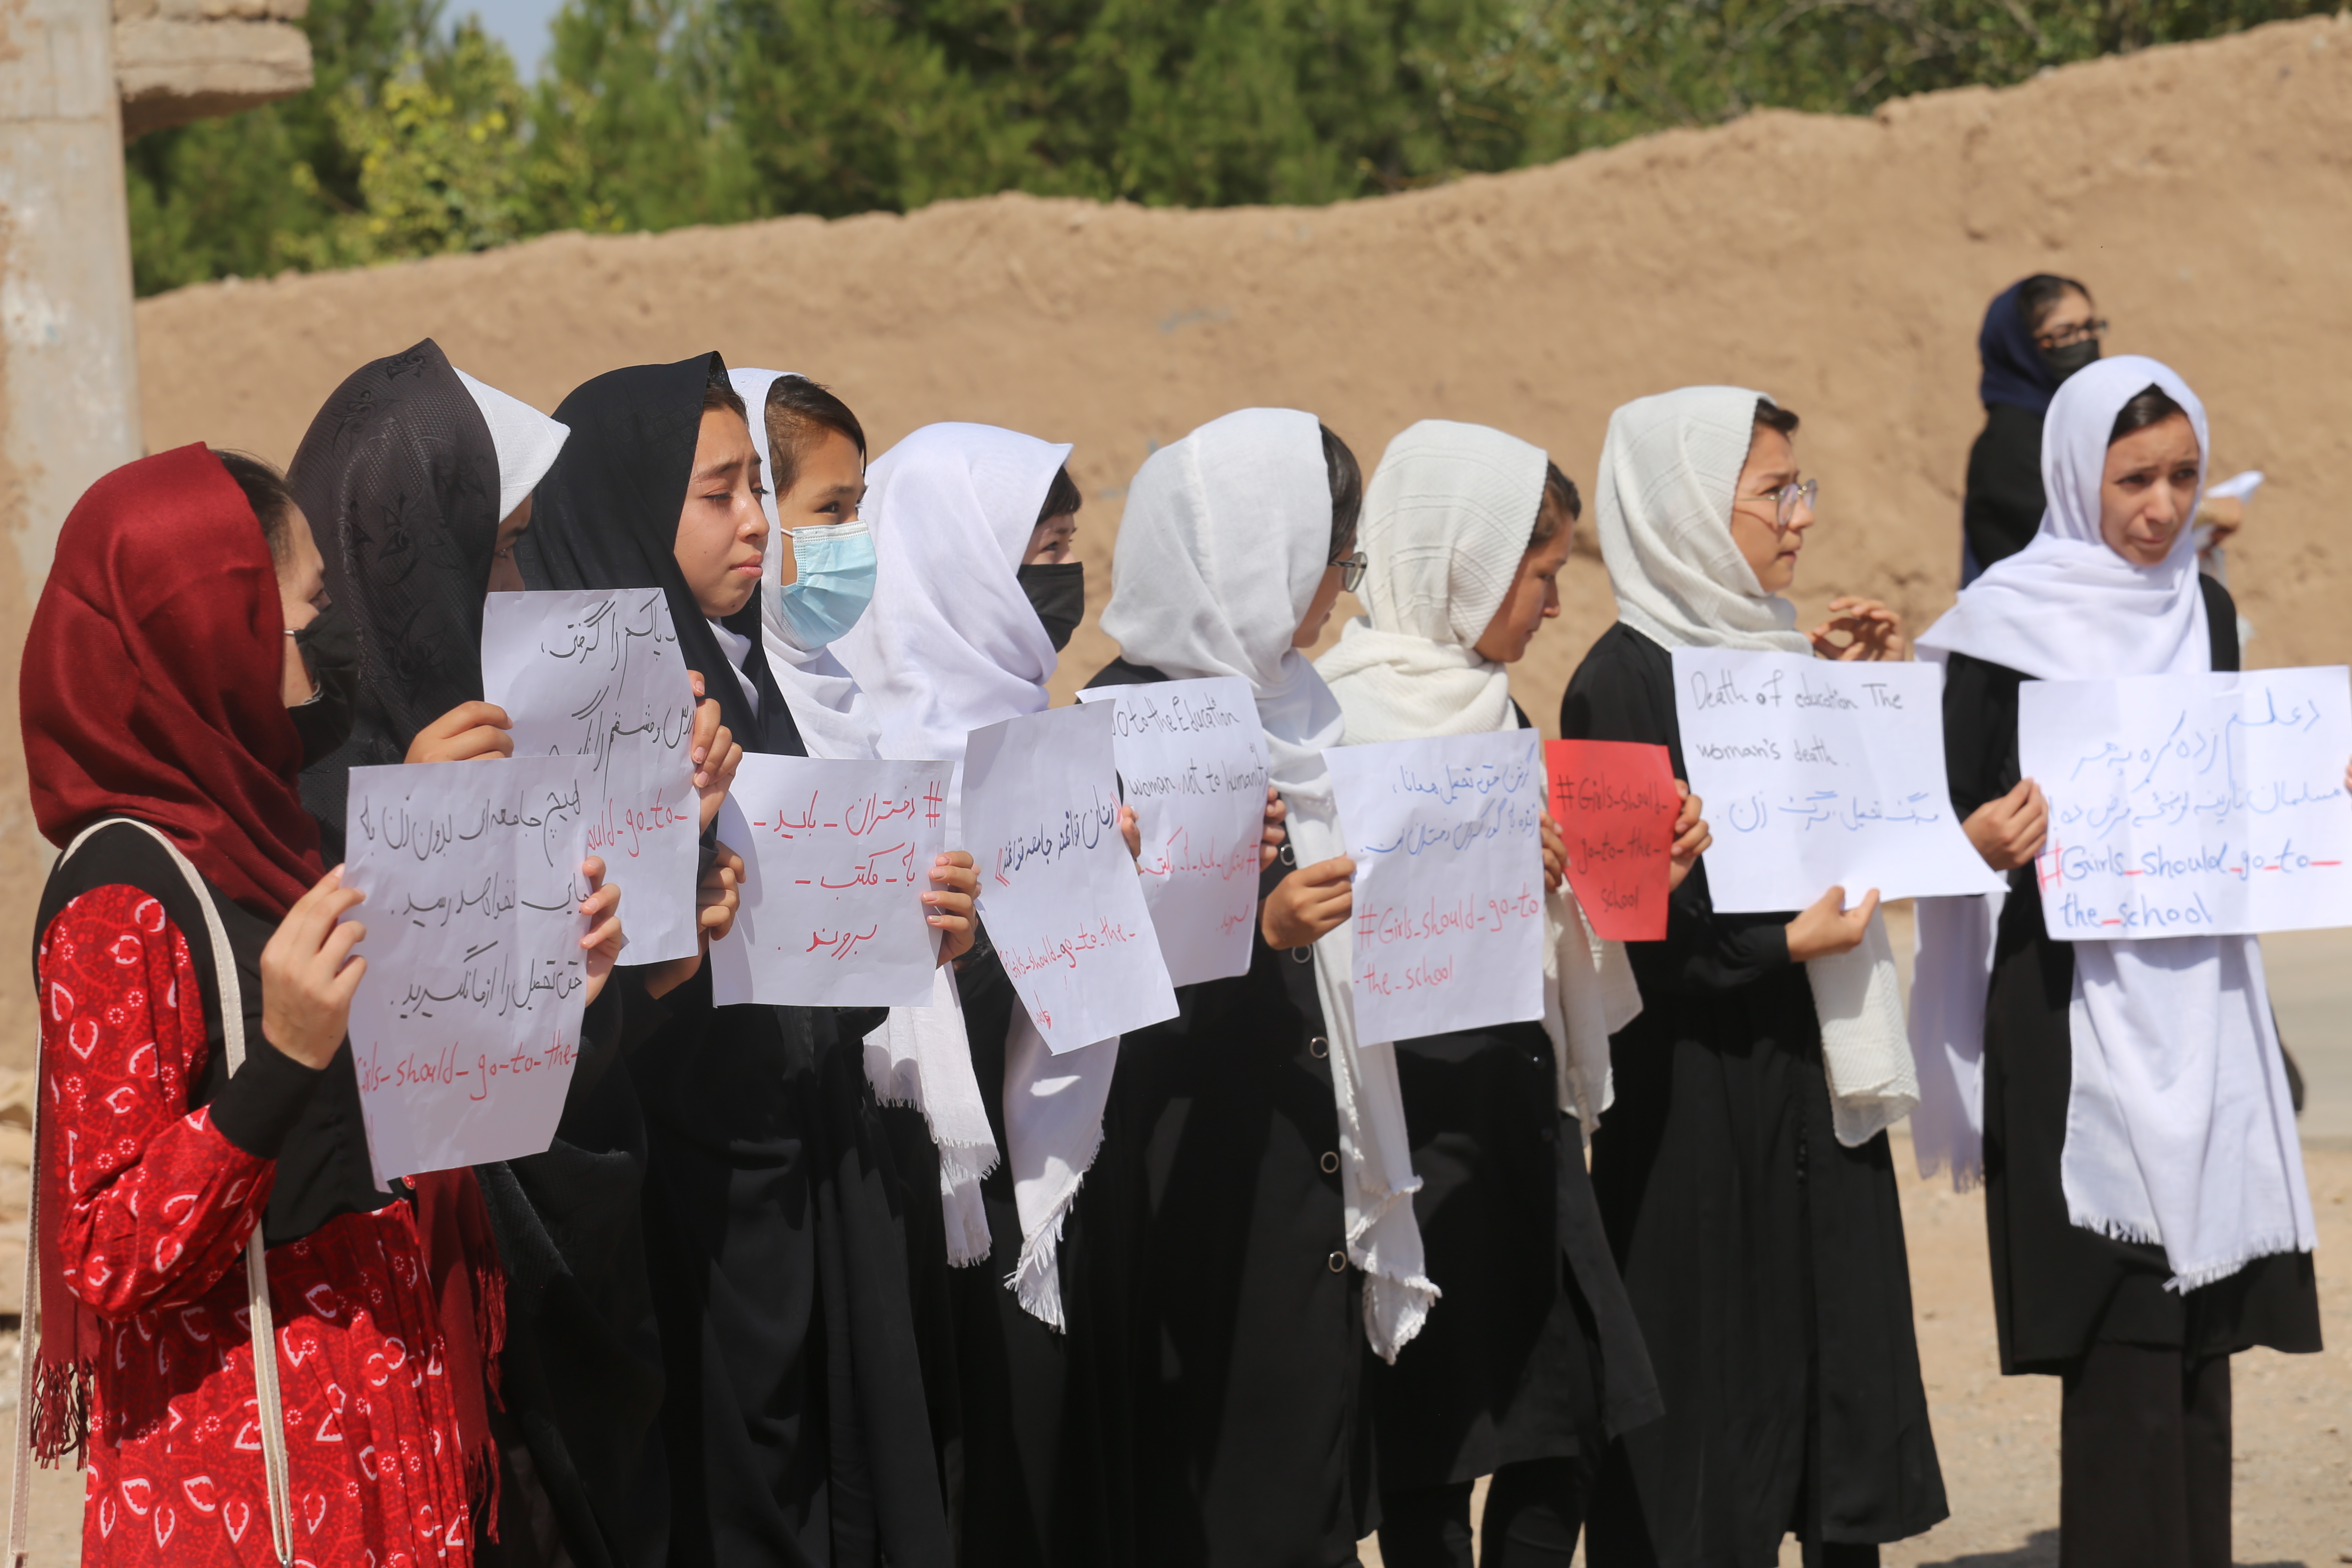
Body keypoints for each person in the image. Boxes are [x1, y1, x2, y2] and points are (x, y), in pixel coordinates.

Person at [21, 443, 621, 1565]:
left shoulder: (276, 840)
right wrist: (281, 1065)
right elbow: (105, 1251)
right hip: (250, 1475)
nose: (321, 657)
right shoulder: (120, 895)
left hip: (380, 1419)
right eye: (298, 619)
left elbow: (395, 1085)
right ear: (211, 633)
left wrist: (549, 992)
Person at [285, 338, 743, 1568]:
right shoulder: (304, 796)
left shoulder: (516, 737)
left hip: (576, 1307)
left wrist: (658, 911)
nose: (518, 581)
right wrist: (410, 833)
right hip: (431, 1344)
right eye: (492, 549)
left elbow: (577, 1060)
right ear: (408, 553)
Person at [518, 355, 971, 1568]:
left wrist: (926, 935)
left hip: (799, 1177)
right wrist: (674, 850)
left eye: (757, 492)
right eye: (719, 495)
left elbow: (807, 959)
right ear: (626, 501)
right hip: (683, 1218)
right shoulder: (561, 712)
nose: (759, 526)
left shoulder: (742, 677)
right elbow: (573, 999)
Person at [1915, 355, 2321, 1568]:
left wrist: (2314, 796)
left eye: (2184, 477)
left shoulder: (2208, 612)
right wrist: (1981, 839)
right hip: (2065, 1007)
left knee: (2201, 1328)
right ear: (2074, 470)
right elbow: (1941, 817)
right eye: (2134, 476)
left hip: (2203, 1001)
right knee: (2123, 1321)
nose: (2161, 505)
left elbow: (2230, 781)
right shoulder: (1999, 628)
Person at [1559, 388, 1948, 1565]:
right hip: (1693, 1105)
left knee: (1826, 1403)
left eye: (1801, 488)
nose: (1801, 518)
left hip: (1808, 1087)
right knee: (1704, 1420)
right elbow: (1628, 932)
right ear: (1682, 509)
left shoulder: (1780, 657)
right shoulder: (1614, 686)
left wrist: (1858, 693)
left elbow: (1866, 839)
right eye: (1775, 492)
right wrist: (1780, 948)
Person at [1315, 420, 1703, 1567]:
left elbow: (1541, 906)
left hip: (1518, 1115)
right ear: (1470, 565)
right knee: (1435, 1444)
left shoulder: (1505, 714)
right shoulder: (1334, 715)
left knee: (1571, 1414)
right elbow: (1329, 922)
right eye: (1540, 576)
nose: (1553, 605)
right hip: (1414, 1128)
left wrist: (1629, 871)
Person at [1084, 407, 1406, 1567]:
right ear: (1258, 555)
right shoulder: (1115, 729)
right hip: (1195, 1204)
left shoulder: (1306, 714)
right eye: (1333, 562)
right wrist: (1258, 930)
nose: (1341, 594)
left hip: (1305, 1191)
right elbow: (1091, 1011)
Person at [830, 420, 1134, 1565]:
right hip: (928, 1209)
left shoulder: (1050, 739)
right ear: (955, 564)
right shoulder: (862, 745)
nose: (1060, 577)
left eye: (1066, 546)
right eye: (1035, 549)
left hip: (1050, 1199)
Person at [1962, 274, 2104, 583]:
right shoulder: (2009, 445)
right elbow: (2093, 535)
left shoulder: (2088, 425)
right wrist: (2202, 514)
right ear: (2020, 346)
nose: (2084, 342)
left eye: (2090, 328)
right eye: (2066, 333)